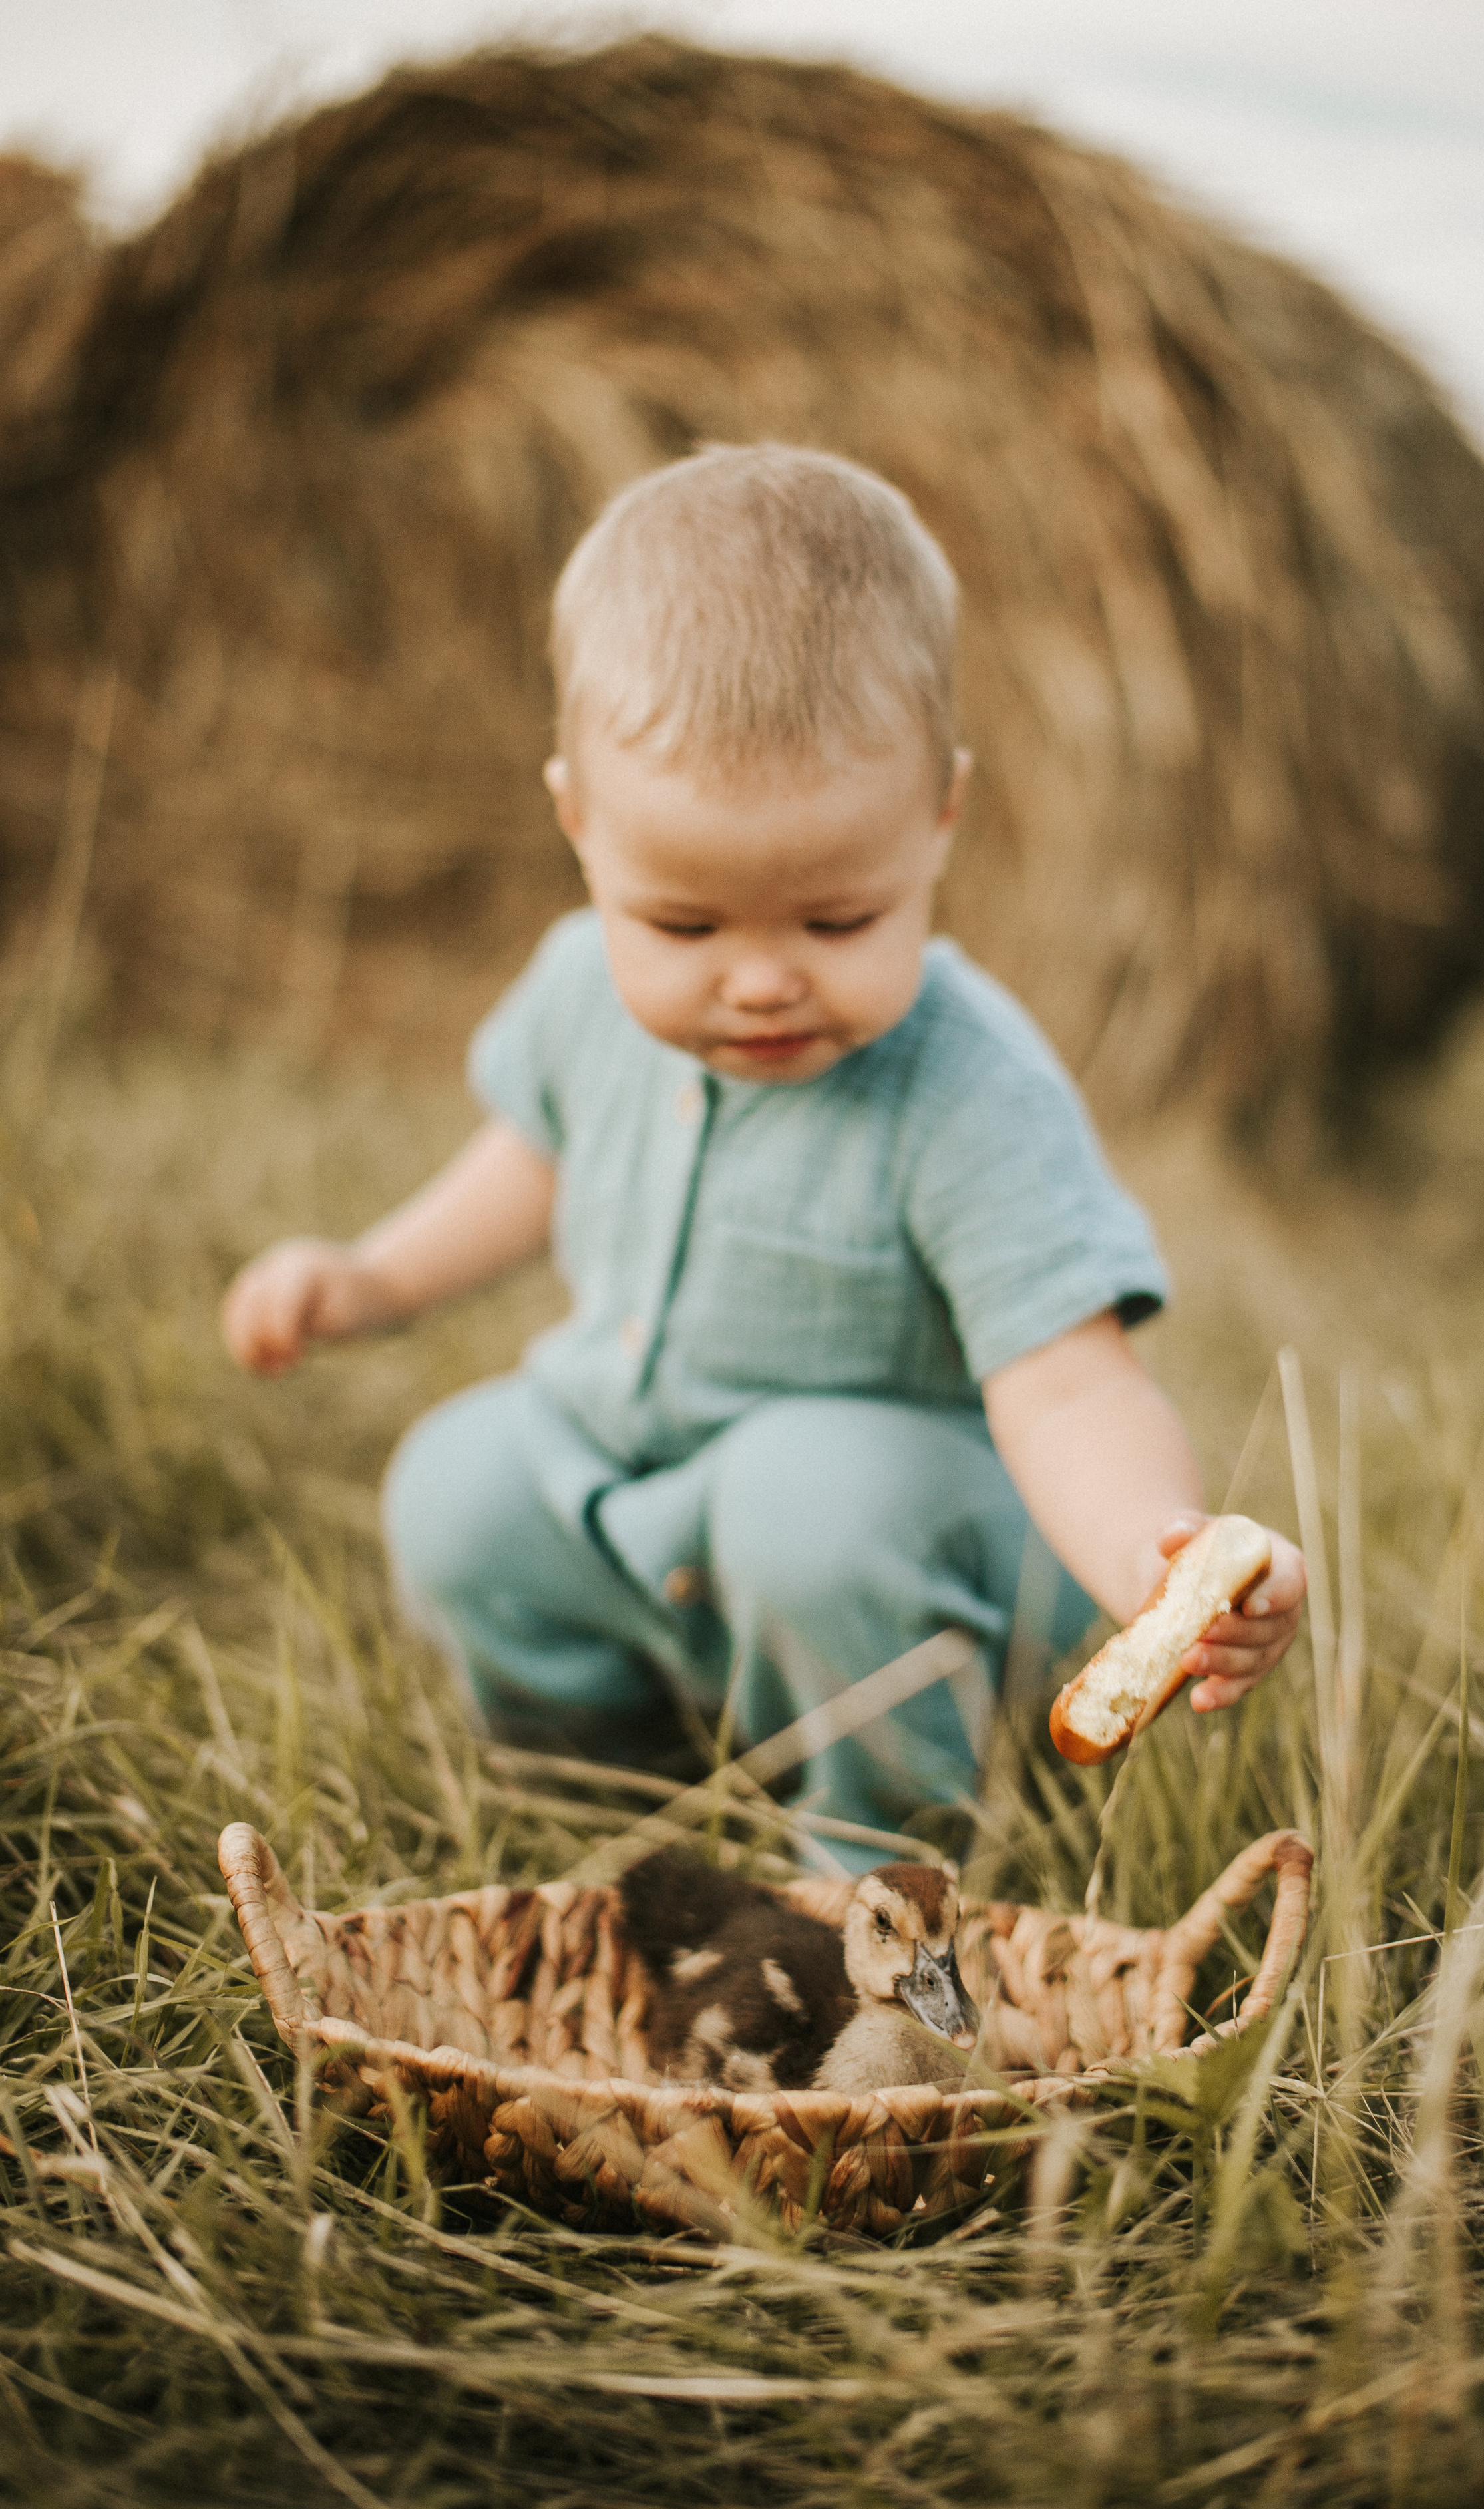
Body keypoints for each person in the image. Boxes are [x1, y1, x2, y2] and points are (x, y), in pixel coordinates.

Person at [222, 444, 1304, 1867]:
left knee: (807, 1491)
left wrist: (1153, 1560)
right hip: (657, 1508)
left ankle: (882, 1879)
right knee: (458, 1483)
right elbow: (530, 1164)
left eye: (836, 922)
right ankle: (617, 1796)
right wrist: (366, 1279)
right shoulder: (571, 993)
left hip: (915, 1567)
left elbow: (1068, 1383)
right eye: (683, 927)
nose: (758, 981)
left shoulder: (970, 1088)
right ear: (577, 825)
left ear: (941, 819)